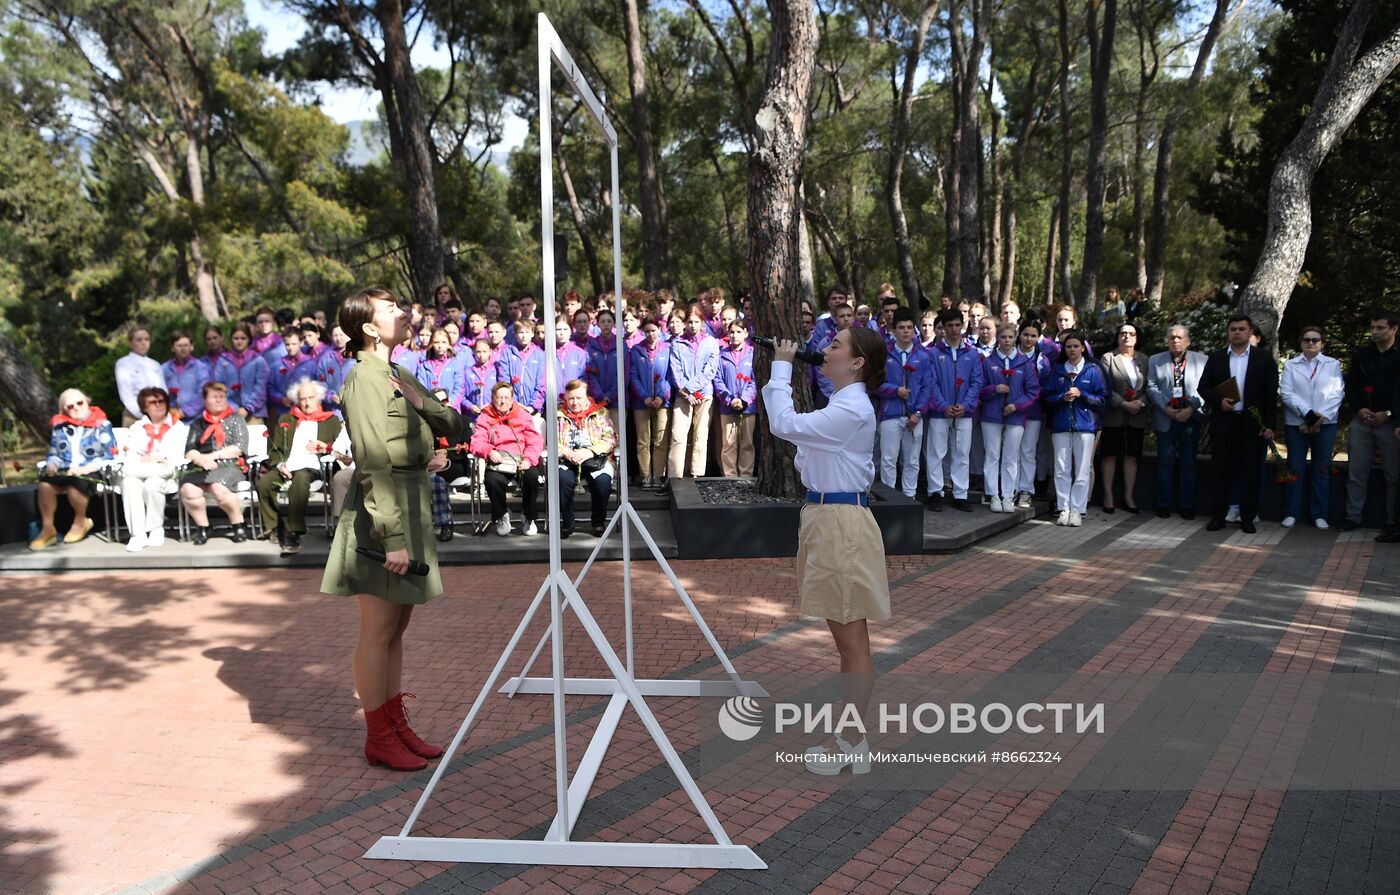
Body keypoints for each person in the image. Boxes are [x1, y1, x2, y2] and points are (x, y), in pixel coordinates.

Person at [321, 287, 464, 772]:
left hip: (410, 498)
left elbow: (453, 423)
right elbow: (372, 461)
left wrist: (423, 415)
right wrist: (393, 538)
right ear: (366, 328)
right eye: (390, 310)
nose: (403, 314)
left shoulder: (397, 374)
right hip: (384, 512)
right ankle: (378, 734)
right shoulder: (364, 379)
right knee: (378, 628)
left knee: (397, 625)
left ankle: (397, 725)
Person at [761, 326, 891, 775]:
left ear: (857, 363)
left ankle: (851, 744)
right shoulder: (842, 406)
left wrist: (780, 366)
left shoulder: (852, 408)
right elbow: (803, 447)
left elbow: (784, 425)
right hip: (828, 518)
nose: (826, 350)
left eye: (837, 345)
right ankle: (853, 741)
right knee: (849, 641)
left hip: (840, 523)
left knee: (852, 643)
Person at [1196, 315, 1278, 535]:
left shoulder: (1264, 359)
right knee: (1219, 470)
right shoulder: (1217, 357)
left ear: (1250, 332)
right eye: (1233, 329)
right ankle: (1217, 516)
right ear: (1228, 332)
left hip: (1251, 424)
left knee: (1251, 471)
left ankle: (1248, 518)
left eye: (1242, 329)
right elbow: (1203, 388)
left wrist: (1269, 424)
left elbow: (1271, 394)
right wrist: (1218, 401)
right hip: (1224, 422)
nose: (1237, 333)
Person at [256, 379, 343, 556]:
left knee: (301, 479)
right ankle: (275, 526)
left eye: (310, 397)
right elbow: (275, 450)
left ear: (318, 398)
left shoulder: (331, 421)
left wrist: (324, 447)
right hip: (287, 465)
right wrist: (280, 465)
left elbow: (340, 448)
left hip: (313, 467)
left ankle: (294, 532)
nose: (306, 402)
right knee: (263, 484)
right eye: (302, 398)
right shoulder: (286, 419)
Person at [29, 388, 118, 550]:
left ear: (87, 402)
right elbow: (54, 453)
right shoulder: (59, 427)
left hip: (91, 469)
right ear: (63, 409)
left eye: (79, 403)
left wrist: (85, 469)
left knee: (74, 485)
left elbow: (109, 454)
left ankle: (80, 521)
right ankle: (48, 529)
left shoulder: (101, 424)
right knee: (45, 486)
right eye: (70, 406)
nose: (76, 407)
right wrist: (52, 464)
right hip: (66, 469)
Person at [1339, 312, 1398, 535]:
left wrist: (1389, 414)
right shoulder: (1363, 354)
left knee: (1393, 475)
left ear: (1394, 329)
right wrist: (1359, 408)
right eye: (1372, 327)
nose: (1374, 331)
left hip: (1390, 422)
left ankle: (1392, 521)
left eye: (1380, 327)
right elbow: (1351, 386)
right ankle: (1352, 516)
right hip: (1362, 419)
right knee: (1356, 472)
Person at [1279, 325, 1343, 529]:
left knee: (1321, 468)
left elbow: (1337, 392)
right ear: (1301, 342)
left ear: (1322, 343)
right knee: (1295, 467)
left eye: (1315, 340)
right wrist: (1308, 414)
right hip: (1297, 423)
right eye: (1307, 339)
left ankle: (1319, 513)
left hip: (1325, 423)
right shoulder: (1291, 365)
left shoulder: (1332, 364)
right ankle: (1291, 512)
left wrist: (1320, 418)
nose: (1311, 343)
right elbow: (1287, 393)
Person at [923, 309, 983, 511]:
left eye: (958, 325)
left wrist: (965, 405)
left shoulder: (972, 353)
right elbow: (931, 383)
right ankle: (935, 491)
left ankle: (960, 493)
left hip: (963, 412)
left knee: (961, 453)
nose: (954, 329)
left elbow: (976, 382)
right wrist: (942, 405)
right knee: (936, 452)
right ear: (943, 328)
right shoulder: (933, 353)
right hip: (940, 412)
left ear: (963, 326)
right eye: (950, 325)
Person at [1044, 333, 1106, 526]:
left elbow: (1103, 399)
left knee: (1082, 469)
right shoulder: (1057, 371)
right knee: (1061, 468)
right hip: (1061, 425)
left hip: (1085, 426)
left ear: (1082, 348)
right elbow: (1046, 397)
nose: (1072, 350)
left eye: (1075, 346)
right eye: (1068, 346)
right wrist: (1061, 398)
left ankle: (1078, 509)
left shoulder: (1093, 371)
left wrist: (1083, 395)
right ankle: (1063, 508)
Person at [978, 322, 1040, 513]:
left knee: (1011, 457)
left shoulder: (1025, 364)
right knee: (992, 455)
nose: (1007, 341)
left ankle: (1008, 495)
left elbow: (1033, 391)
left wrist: (1016, 405)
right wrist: (993, 389)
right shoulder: (989, 362)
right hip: (991, 416)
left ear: (1016, 338)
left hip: (1015, 417)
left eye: (1010, 337)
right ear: (998, 338)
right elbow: (979, 389)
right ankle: (993, 494)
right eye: (1003, 337)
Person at [1145, 325, 1206, 519]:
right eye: (1172, 338)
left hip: (1191, 418)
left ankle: (1187, 505)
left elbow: (1205, 388)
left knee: (1188, 463)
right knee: (1165, 463)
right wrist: (1166, 408)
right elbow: (1151, 386)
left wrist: (1191, 408)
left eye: (1179, 338)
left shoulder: (1201, 360)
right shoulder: (1156, 360)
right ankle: (1163, 504)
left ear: (1188, 341)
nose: (1175, 341)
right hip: (1166, 417)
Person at [178, 382, 251, 544]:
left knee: (218, 487)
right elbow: (190, 449)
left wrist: (212, 456)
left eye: (222, 397)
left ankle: (238, 523)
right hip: (201, 465)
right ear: (205, 400)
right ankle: (203, 527)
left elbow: (239, 447)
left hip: (230, 464)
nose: (218, 400)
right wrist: (201, 460)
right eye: (214, 397)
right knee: (188, 489)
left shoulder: (236, 419)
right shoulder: (198, 423)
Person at [471, 382, 544, 536]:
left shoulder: (523, 415)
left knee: (532, 476)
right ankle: (502, 515)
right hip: (499, 460)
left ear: (512, 400)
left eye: (506, 397)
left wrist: (529, 459)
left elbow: (535, 441)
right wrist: (489, 451)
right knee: (492, 480)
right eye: (499, 398)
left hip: (522, 459)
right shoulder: (485, 417)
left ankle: (529, 516)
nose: (503, 401)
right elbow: (477, 443)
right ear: (492, 399)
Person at [120, 387, 187, 552]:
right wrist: (153, 460)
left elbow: (173, 458)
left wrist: (146, 459)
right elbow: (131, 454)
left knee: (149, 480)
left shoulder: (177, 427)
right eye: (152, 402)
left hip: (167, 473)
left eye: (161, 401)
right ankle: (138, 534)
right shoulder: (137, 427)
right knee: (129, 483)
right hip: (145, 471)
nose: (158, 405)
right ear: (144, 407)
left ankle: (155, 528)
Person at [876, 308, 931, 498]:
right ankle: (888, 496)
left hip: (914, 416)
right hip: (890, 413)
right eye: (901, 327)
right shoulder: (885, 354)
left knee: (912, 460)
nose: (906, 331)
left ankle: (909, 496)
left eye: (909, 327)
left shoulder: (923, 356)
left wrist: (918, 413)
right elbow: (875, 383)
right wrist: (895, 390)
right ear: (894, 330)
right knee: (889, 459)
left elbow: (927, 386)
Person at [1097, 322, 1150, 514]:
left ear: (1137, 338)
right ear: (1118, 337)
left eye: (1131, 333)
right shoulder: (1108, 358)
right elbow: (1105, 387)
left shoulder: (1145, 360)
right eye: (1123, 333)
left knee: (1132, 456)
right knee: (1110, 455)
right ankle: (1108, 496)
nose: (1127, 336)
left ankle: (1129, 496)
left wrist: (1140, 403)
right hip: (1115, 414)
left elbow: (1149, 387)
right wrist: (1122, 403)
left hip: (1137, 415)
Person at [556, 379, 618, 537]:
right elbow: (552, 442)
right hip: (567, 459)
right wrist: (567, 452)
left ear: (587, 397)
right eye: (571, 398)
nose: (574, 402)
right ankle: (568, 523)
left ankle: (598, 521)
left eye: (578, 398)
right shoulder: (558, 415)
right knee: (561, 480)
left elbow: (610, 439)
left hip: (595, 458)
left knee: (603, 482)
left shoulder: (600, 413)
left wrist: (590, 452)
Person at [667, 303, 720, 479]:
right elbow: (676, 371)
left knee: (700, 436)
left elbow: (710, 370)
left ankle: (697, 474)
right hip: (682, 396)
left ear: (702, 322)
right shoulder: (677, 343)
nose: (693, 325)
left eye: (696, 321)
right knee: (678, 436)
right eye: (689, 321)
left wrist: (692, 390)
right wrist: (686, 393)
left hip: (704, 395)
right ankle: (675, 476)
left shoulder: (711, 342)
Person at [1013, 321, 1053, 508]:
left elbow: (1044, 386)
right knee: (1011, 452)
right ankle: (1009, 488)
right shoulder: (1010, 355)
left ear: (1038, 338)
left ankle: (1025, 490)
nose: (1028, 339)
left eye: (1033, 336)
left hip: (1033, 412)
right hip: (1011, 411)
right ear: (1019, 335)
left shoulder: (1041, 360)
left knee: (1028, 451)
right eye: (1025, 334)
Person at [629, 317, 673, 489]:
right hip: (641, 402)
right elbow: (633, 376)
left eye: (653, 330)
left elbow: (670, 376)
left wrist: (662, 396)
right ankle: (645, 475)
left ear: (660, 330)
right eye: (647, 331)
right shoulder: (636, 350)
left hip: (662, 402)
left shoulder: (667, 349)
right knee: (643, 440)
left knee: (660, 439)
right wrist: (644, 396)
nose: (650, 334)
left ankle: (658, 475)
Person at [714, 319, 758, 477]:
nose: (735, 335)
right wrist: (729, 399)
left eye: (739, 332)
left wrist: (745, 400)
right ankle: (730, 476)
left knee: (747, 442)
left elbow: (755, 380)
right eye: (732, 332)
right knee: (728, 443)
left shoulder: (752, 354)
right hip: (727, 406)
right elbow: (717, 380)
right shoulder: (722, 355)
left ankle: (746, 475)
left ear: (746, 334)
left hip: (748, 406)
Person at [215, 322, 270, 424]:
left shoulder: (258, 360)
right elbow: (218, 387)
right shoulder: (223, 361)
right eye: (236, 338)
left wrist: (248, 408)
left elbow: (261, 389)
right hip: (228, 412)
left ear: (249, 339)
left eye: (243, 338)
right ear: (231, 339)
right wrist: (231, 407)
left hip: (254, 414)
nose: (239, 342)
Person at [115, 326, 166, 427]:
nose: (143, 343)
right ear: (130, 342)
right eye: (139, 340)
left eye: (146, 339)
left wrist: (161, 412)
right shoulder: (123, 363)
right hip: (134, 416)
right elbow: (126, 396)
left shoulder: (155, 364)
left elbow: (163, 391)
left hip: (158, 414)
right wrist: (145, 415)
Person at [413, 329, 466, 411]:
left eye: (444, 342)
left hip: (451, 408)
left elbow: (459, 388)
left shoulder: (456, 363)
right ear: (431, 344)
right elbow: (421, 387)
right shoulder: (424, 365)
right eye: (436, 342)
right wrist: (428, 403)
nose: (440, 345)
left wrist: (451, 403)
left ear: (449, 344)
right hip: (431, 408)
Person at [162, 331, 211, 421]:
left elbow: (203, 394)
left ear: (191, 347)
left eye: (186, 345)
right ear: (172, 348)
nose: (183, 349)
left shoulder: (201, 368)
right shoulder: (165, 368)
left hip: (195, 419)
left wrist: (185, 411)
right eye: (179, 346)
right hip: (170, 417)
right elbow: (160, 393)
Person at [267, 326, 314, 414]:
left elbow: (317, 386)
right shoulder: (277, 365)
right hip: (283, 411)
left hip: (306, 411)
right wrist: (281, 399)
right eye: (287, 344)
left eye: (294, 344)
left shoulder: (310, 364)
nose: (290, 347)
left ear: (301, 343)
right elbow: (270, 388)